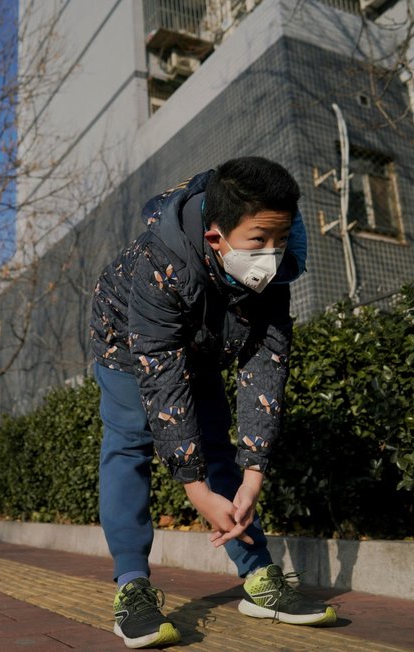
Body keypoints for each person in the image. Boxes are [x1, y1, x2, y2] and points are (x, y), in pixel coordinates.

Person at [89, 156, 336, 648]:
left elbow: (264, 368)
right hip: (127, 346)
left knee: (218, 447)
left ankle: (259, 577)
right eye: (258, 241)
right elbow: (161, 372)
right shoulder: (159, 262)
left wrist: (254, 475)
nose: (270, 254)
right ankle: (132, 587)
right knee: (131, 445)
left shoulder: (275, 273)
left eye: (280, 239)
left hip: (203, 346)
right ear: (215, 238)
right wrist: (195, 490)